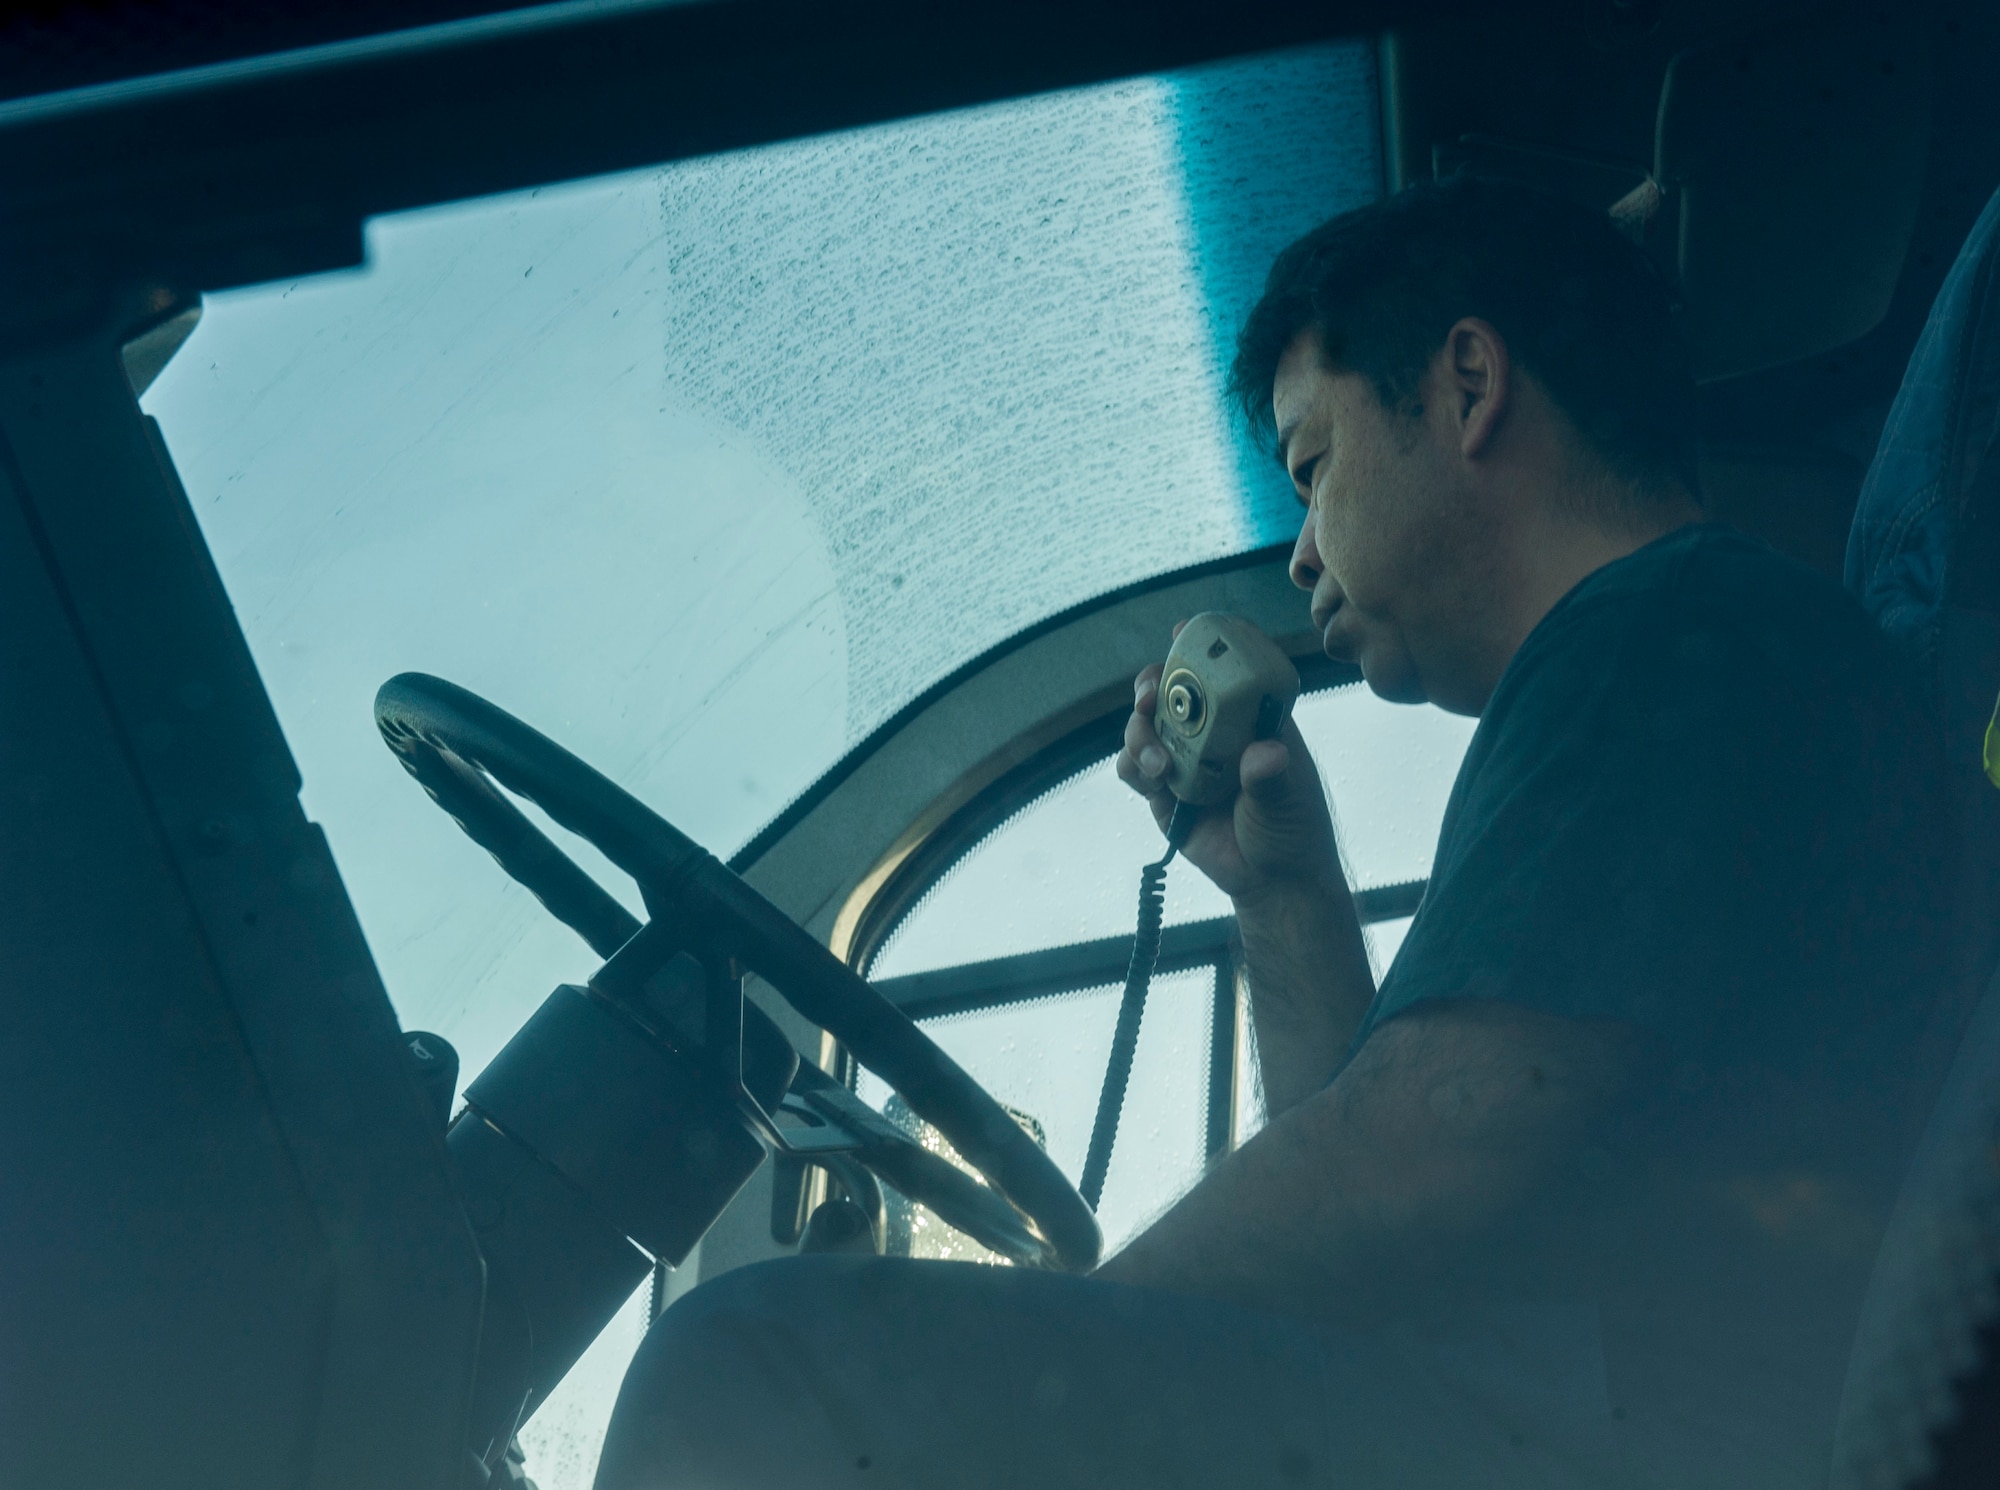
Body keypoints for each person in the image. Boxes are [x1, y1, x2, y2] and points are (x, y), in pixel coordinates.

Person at [594, 177, 1961, 1490]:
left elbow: (1432, 1154)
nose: (1302, 553)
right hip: (1603, 1431)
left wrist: (1038, 1371)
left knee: (741, 1365)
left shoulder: (1663, 629)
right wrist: (1281, 894)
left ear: (1468, 386)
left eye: (1314, 467)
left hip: (1655, 1452)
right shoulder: (1681, 651)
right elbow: (1396, 1214)